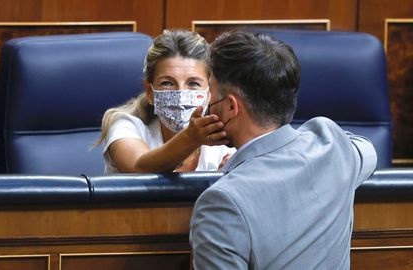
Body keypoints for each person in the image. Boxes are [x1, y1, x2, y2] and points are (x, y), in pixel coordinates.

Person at [189, 31, 377, 269]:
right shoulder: (332, 145)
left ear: (230, 106)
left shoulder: (222, 202)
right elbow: (367, 150)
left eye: (211, 95)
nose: (207, 106)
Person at [97, 30, 235, 174]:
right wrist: (190, 137)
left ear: (209, 91)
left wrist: (224, 180)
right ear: (150, 92)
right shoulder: (126, 125)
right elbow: (138, 169)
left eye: (193, 83)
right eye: (167, 83)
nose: (180, 93)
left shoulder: (224, 130)